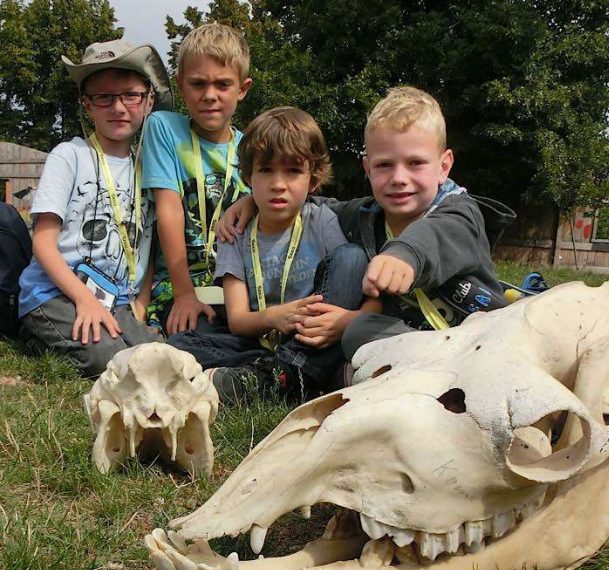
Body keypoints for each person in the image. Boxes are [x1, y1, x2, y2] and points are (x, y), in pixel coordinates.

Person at [218, 86, 515, 367]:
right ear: (368, 168)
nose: (399, 177)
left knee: (358, 330)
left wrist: (404, 254)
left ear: (444, 166)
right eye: (385, 165)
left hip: (479, 340)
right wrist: (250, 202)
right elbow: (312, 204)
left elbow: (438, 234)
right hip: (410, 339)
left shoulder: (461, 212)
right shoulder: (365, 215)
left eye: (415, 163)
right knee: (359, 332)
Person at [168, 107, 371, 405]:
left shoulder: (322, 221)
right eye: (266, 170)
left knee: (351, 257)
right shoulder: (234, 233)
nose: (278, 184)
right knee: (181, 343)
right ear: (249, 176)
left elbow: (349, 282)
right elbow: (237, 320)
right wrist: (274, 317)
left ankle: (275, 377)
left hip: (311, 336)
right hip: (260, 340)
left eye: (292, 171)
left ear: (312, 180)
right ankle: (301, 376)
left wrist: (344, 321)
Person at [18, 39, 172, 378]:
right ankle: (35, 334)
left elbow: (147, 245)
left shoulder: (151, 168)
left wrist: (141, 307)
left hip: (116, 302)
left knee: (159, 358)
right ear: (87, 104)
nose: (118, 107)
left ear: (148, 101)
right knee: (112, 361)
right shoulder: (69, 156)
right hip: (55, 294)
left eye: (130, 95)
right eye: (105, 97)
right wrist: (83, 300)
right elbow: (43, 243)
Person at [141, 23, 253, 336]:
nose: (210, 95)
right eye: (198, 84)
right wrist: (184, 293)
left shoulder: (253, 150)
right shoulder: (163, 128)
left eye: (222, 85)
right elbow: (169, 209)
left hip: (237, 285)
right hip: (179, 285)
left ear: (242, 89)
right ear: (180, 85)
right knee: (199, 335)